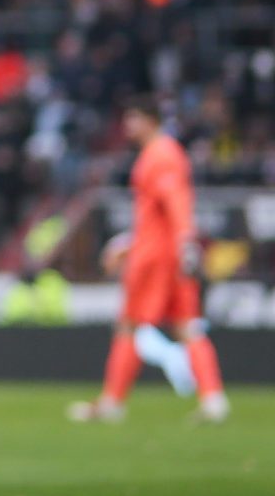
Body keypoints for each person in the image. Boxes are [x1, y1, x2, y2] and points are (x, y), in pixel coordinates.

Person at [71, 102, 229, 425]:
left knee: (129, 324)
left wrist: (185, 241)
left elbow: (176, 202)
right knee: (187, 326)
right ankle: (213, 399)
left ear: (150, 120)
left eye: (134, 118)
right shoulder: (161, 153)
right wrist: (132, 242)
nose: (128, 125)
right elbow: (158, 214)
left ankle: (113, 401)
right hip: (164, 250)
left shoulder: (161, 155)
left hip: (157, 258)